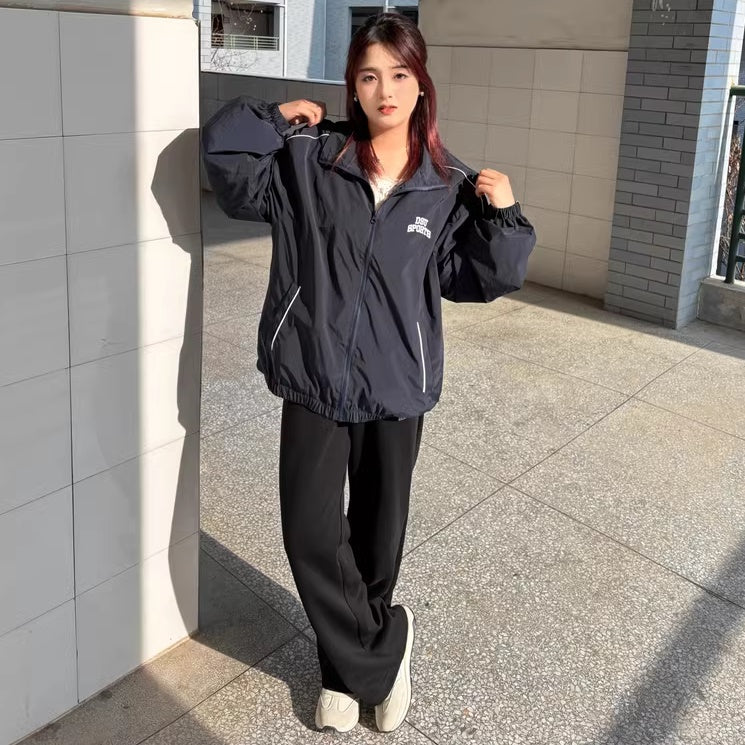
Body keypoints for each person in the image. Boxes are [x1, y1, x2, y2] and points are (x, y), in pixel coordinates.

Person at [201, 11, 536, 735]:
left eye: (399, 74)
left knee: (377, 538)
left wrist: (505, 221)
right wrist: (269, 118)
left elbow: (476, 278)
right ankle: (385, 652)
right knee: (309, 533)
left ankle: (342, 674)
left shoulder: (446, 185)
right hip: (314, 372)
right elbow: (228, 169)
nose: (385, 89)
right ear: (352, 86)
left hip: (395, 385)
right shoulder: (309, 159)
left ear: (421, 85)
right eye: (368, 75)